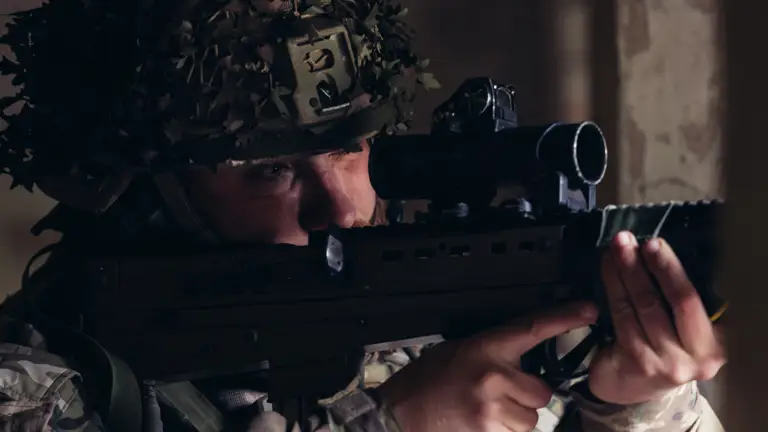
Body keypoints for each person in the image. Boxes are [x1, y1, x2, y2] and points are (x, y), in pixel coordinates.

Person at [0, 0, 726, 431]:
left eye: (351, 150)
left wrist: (636, 406)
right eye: (271, 172)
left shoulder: (423, 341)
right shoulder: (39, 390)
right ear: (153, 197)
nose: (344, 208)